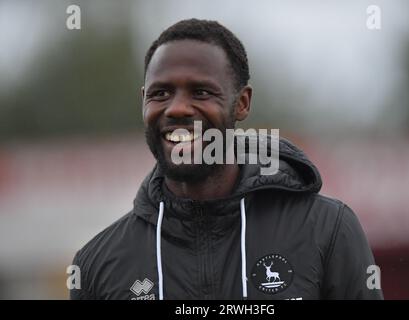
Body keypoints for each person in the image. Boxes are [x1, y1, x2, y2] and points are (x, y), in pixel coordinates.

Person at [70, 19, 383, 300]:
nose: (177, 108)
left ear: (242, 103)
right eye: (161, 93)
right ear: (143, 102)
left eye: (202, 92)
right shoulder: (97, 266)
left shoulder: (327, 230)